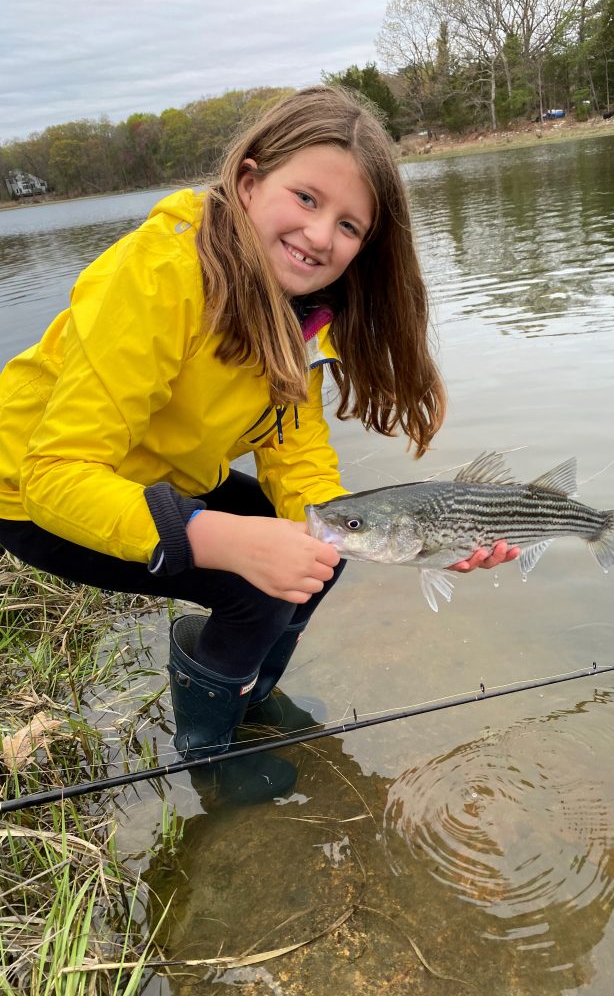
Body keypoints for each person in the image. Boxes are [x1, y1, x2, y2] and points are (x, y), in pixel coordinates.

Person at [0, 86, 518, 802]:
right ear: (248, 182)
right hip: (36, 492)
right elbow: (55, 476)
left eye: (349, 226)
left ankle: (241, 692)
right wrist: (225, 541)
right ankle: (208, 751)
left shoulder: (305, 314)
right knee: (257, 585)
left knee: (318, 550)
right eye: (305, 199)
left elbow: (297, 456)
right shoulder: (156, 276)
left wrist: (412, 540)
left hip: (163, 473)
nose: (320, 235)